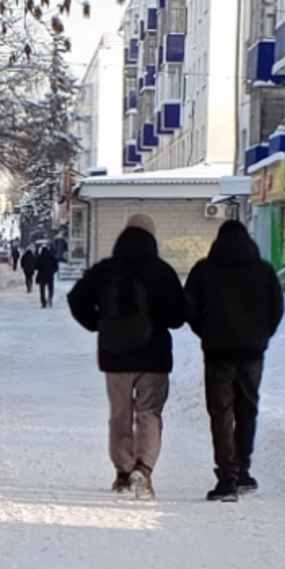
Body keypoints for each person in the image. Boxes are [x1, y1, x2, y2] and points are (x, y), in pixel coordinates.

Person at [67, 213, 186, 501]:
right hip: (153, 356)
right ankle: (143, 469)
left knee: (120, 415)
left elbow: (76, 299)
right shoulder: (162, 272)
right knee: (149, 413)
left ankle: (122, 472)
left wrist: (98, 324)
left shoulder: (105, 270)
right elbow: (178, 316)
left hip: (114, 356)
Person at [183, 218, 285, 502]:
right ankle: (244, 472)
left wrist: (207, 331)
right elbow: (276, 307)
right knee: (247, 409)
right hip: (252, 352)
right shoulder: (263, 270)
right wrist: (261, 334)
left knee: (221, 413)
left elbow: (189, 307)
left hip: (218, 352)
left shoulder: (204, 269)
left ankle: (226, 478)